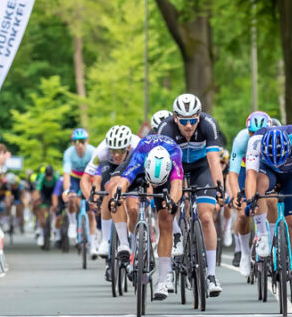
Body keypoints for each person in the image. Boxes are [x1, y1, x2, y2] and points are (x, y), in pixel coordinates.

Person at [157, 93, 227, 296]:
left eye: (193, 120)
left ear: (199, 116)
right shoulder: (166, 128)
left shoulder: (208, 124)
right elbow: (163, 163)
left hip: (201, 168)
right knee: (167, 214)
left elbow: (214, 160)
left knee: (206, 216)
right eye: (184, 121)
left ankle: (211, 275)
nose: (189, 126)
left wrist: (220, 188)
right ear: (175, 117)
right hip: (174, 167)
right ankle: (177, 236)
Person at [244, 123, 292, 301]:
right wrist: (250, 200)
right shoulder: (255, 141)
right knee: (259, 187)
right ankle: (263, 234)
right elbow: (251, 175)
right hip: (268, 173)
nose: (279, 162)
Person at [111, 133, 185, 301]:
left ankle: (162, 281)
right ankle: (127, 242)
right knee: (116, 193)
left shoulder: (174, 155)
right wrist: (118, 195)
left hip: (164, 174)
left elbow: (177, 184)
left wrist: (172, 203)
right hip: (140, 169)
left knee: (166, 219)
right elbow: (124, 181)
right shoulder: (140, 155)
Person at [80, 125, 140, 264]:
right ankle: (106, 240)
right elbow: (85, 178)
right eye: (113, 151)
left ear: (128, 147)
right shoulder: (102, 150)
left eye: (120, 150)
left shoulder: (137, 145)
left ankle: (135, 235)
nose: (117, 155)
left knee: (132, 204)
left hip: (133, 165)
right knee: (109, 188)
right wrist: (91, 198)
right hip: (111, 168)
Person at [227, 111, 270, 276]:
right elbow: (233, 174)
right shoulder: (241, 140)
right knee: (243, 214)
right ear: (247, 131)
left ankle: (271, 240)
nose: (255, 136)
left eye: (259, 133)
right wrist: (236, 195)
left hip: (264, 169)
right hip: (246, 170)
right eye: (252, 133)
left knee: (271, 201)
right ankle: (245, 254)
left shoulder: (274, 137)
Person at [61, 128, 96, 243]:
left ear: (87, 141)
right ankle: (72, 222)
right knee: (71, 197)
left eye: (83, 141)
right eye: (77, 142)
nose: (80, 145)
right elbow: (66, 174)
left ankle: (92, 243)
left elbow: (97, 174)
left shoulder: (93, 151)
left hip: (88, 177)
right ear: (73, 143)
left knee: (91, 209)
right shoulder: (69, 153)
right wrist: (66, 190)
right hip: (75, 178)